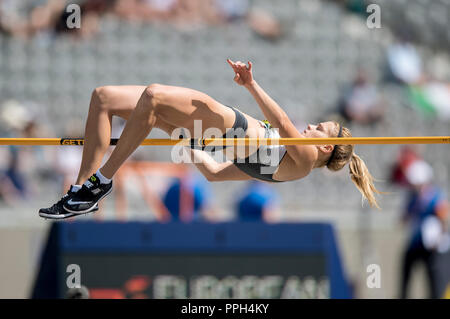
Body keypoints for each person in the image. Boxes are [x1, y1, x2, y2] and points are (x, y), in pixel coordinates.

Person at [39, 59, 382, 219]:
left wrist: (250, 84)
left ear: (324, 147)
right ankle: (80, 192)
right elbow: (214, 173)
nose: (311, 128)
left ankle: (102, 180)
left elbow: (281, 120)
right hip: (209, 137)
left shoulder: (305, 160)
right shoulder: (285, 166)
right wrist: (187, 148)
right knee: (103, 98)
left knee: (155, 95)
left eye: (318, 129)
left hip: (223, 124)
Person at [399, 160, 449, 298]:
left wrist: (438, 239)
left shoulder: (435, 196)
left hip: (435, 248)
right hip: (416, 244)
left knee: (436, 282)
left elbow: (444, 218)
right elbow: (404, 218)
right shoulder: (412, 198)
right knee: (406, 270)